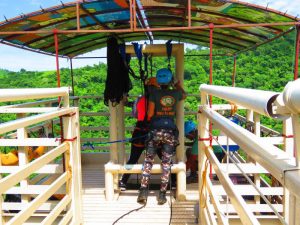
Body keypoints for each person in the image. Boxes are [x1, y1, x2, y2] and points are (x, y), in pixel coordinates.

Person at [137, 68, 186, 205]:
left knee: (148, 160)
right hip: (169, 132)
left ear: (158, 80)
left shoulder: (154, 93)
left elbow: (150, 114)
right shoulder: (176, 93)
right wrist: (177, 84)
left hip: (155, 132)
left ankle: (143, 191)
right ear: (170, 80)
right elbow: (184, 95)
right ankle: (162, 195)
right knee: (166, 163)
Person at [118, 77, 160, 191]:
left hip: (140, 130)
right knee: (164, 156)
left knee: (133, 158)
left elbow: (135, 113)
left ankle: (123, 181)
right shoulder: (159, 100)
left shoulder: (139, 99)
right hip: (155, 131)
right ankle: (175, 180)